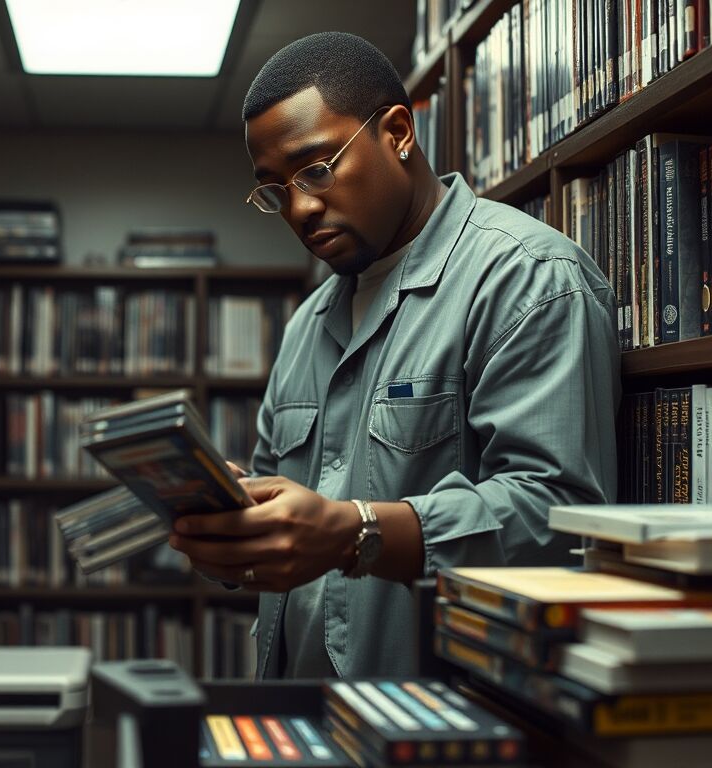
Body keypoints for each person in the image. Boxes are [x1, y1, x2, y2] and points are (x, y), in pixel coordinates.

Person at [167, 32, 620, 679]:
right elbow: (286, 525)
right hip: (299, 716)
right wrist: (240, 532)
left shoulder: (526, 278)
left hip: (442, 729)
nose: (299, 208)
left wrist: (356, 533)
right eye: (274, 190)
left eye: (316, 170)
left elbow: (559, 517)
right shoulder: (307, 326)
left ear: (399, 132)